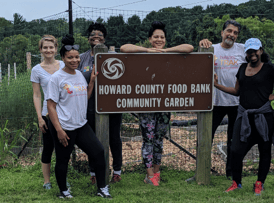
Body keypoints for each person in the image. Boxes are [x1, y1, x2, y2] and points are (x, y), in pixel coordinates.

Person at [214, 38, 274, 195]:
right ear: (246, 53)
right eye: (249, 51)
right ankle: (236, 182)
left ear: (260, 50)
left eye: (255, 50)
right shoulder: (242, 68)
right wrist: (217, 85)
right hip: (244, 116)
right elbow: (237, 91)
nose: (252, 54)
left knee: (264, 150)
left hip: (263, 117)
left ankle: (260, 183)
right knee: (235, 150)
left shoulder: (269, 68)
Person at [120, 21, 194, 186]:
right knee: (148, 139)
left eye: (162, 37)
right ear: (150, 39)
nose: (159, 39)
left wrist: (165, 51)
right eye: (156, 37)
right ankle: (149, 175)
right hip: (146, 105)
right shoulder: (142, 53)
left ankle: (157, 171)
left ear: (165, 39)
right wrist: (148, 50)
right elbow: (124, 48)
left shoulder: (170, 53)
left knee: (159, 139)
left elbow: (189, 48)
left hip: (164, 105)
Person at [46, 34, 111, 198]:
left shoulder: (79, 75)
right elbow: (51, 107)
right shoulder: (56, 79)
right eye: (70, 58)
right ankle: (64, 191)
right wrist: (59, 130)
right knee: (63, 159)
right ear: (63, 58)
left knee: (97, 152)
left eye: (76, 57)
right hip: (64, 127)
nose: (74, 60)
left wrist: (91, 83)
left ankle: (102, 189)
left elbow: (84, 98)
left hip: (81, 125)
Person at [199, 20, 246, 178]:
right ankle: (203, 171)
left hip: (236, 102)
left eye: (235, 33)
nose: (232, 35)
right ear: (222, 32)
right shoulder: (212, 49)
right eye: (229, 31)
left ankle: (231, 173)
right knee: (206, 137)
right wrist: (201, 44)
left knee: (233, 140)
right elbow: (198, 60)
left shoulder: (243, 49)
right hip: (215, 102)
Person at [78, 22, 123, 184]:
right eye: (92, 34)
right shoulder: (81, 58)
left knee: (114, 139)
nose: (96, 37)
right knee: (92, 140)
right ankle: (94, 172)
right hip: (89, 105)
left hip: (112, 104)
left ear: (105, 38)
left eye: (99, 35)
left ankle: (116, 172)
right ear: (88, 38)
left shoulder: (114, 56)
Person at [31, 35, 65, 189]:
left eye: (51, 47)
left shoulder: (64, 65)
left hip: (64, 113)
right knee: (48, 147)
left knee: (64, 147)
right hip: (47, 113)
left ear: (56, 49)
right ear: (40, 50)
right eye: (45, 47)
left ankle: (62, 178)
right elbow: (37, 95)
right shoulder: (36, 70)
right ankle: (47, 181)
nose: (48, 50)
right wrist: (39, 117)